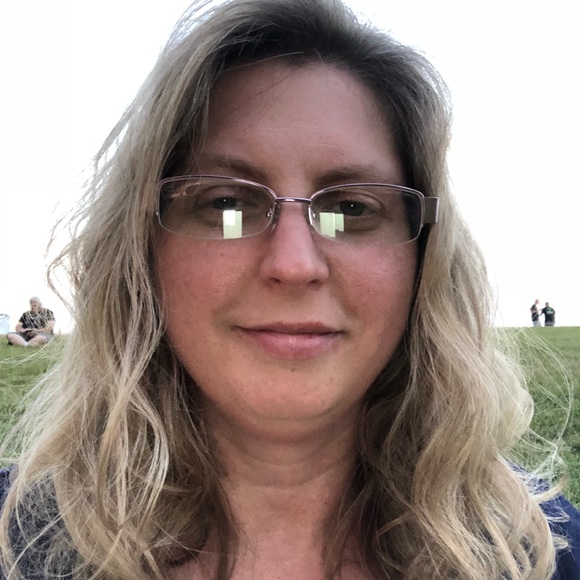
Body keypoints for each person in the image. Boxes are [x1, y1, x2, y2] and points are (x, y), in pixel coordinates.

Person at [1, 0, 579, 578]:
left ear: (424, 258)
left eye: (352, 208)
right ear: (140, 249)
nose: (295, 264)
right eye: (226, 203)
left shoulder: (540, 549)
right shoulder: (16, 544)